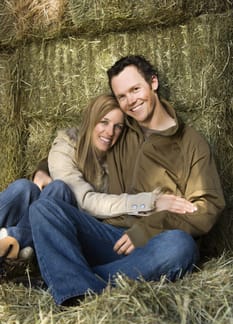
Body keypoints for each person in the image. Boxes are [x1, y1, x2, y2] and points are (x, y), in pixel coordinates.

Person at [28, 55, 225, 306]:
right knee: (45, 208)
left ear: (153, 83)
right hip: (105, 235)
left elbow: (207, 207)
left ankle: (76, 283)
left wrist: (147, 229)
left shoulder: (189, 143)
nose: (130, 101)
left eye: (135, 89)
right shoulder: (120, 130)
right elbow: (80, 145)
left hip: (152, 243)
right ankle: (78, 279)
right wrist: (43, 168)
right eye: (122, 96)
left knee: (181, 247)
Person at [0, 93, 162, 272]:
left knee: (57, 190)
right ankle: (14, 244)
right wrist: (147, 201)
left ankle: (11, 242)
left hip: (67, 223)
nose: (110, 132)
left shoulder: (119, 157)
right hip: (59, 212)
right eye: (104, 122)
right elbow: (84, 201)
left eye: (118, 127)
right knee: (25, 188)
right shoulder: (67, 145)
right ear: (91, 120)